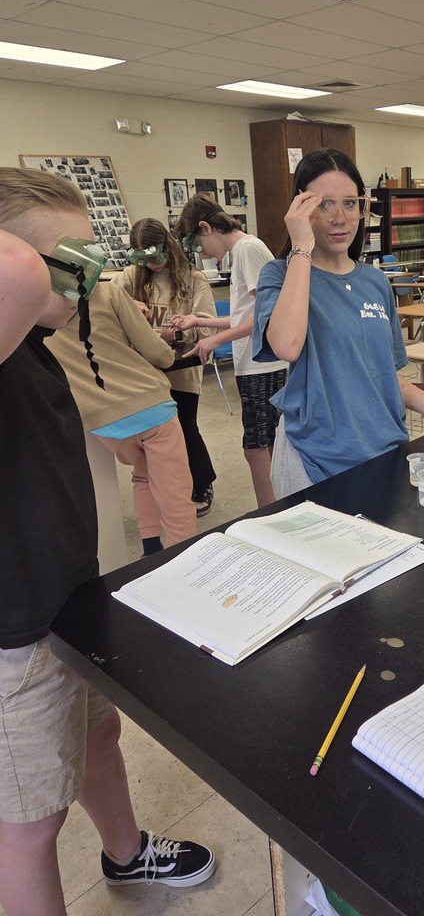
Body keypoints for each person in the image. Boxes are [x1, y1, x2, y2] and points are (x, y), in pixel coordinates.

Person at [0, 167, 214, 916]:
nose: (93, 279)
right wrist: (30, 263)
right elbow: (14, 266)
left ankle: (127, 856)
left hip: (69, 596)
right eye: (73, 261)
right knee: (30, 823)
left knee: (99, 736)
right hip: (12, 631)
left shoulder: (32, 342)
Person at [252, 148, 424, 497]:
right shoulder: (280, 274)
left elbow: (381, 376)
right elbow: (287, 346)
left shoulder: (375, 282)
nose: (339, 218)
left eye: (350, 203)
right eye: (324, 204)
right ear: (300, 209)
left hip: (383, 451)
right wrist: (301, 247)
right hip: (315, 460)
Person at [50, 279, 198, 556]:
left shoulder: (34, 310)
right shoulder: (108, 292)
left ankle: (151, 549)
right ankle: (185, 560)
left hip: (101, 422)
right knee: (175, 492)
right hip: (150, 407)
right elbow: (158, 353)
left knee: (142, 477)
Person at [170, 194, 287, 506]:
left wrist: (214, 340)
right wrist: (201, 320)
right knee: (265, 446)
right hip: (256, 366)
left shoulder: (248, 249)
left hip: (264, 366)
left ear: (207, 227)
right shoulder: (243, 251)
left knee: (258, 448)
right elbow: (245, 316)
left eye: (198, 245)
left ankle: (271, 516)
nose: (203, 253)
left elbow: (267, 316)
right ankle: (277, 510)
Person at [113, 217, 218, 516]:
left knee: (185, 429)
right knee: (152, 439)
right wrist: (127, 307)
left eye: (155, 256)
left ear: (167, 247)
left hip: (181, 372)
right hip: (144, 374)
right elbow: (103, 305)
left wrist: (175, 333)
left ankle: (201, 483)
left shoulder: (192, 279)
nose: (151, 264)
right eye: (142, 258)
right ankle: (168, 490)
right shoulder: (130, 277)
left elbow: (207, 328)